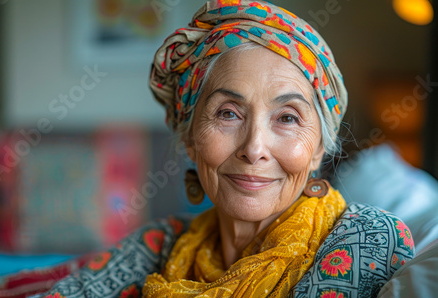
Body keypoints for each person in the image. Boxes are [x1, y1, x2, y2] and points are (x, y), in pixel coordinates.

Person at [33, 1, 414, 297]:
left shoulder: (366, 235)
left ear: (317, 151)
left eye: (287, 118)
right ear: (190, 139)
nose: (254, 148)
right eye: (228, 113)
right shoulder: (166, 242)